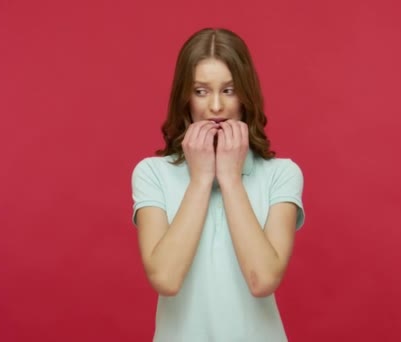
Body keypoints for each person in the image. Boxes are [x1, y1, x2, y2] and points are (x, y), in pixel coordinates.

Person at [131, 27, 305, 342]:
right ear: (185, 98)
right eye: (200, 91)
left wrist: (229, 178)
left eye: (228, 90)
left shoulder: (282, 174)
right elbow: (166, 279)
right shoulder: (151, 173)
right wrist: (200, 180)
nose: (215, 107)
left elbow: (262, 279)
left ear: (245, 95)